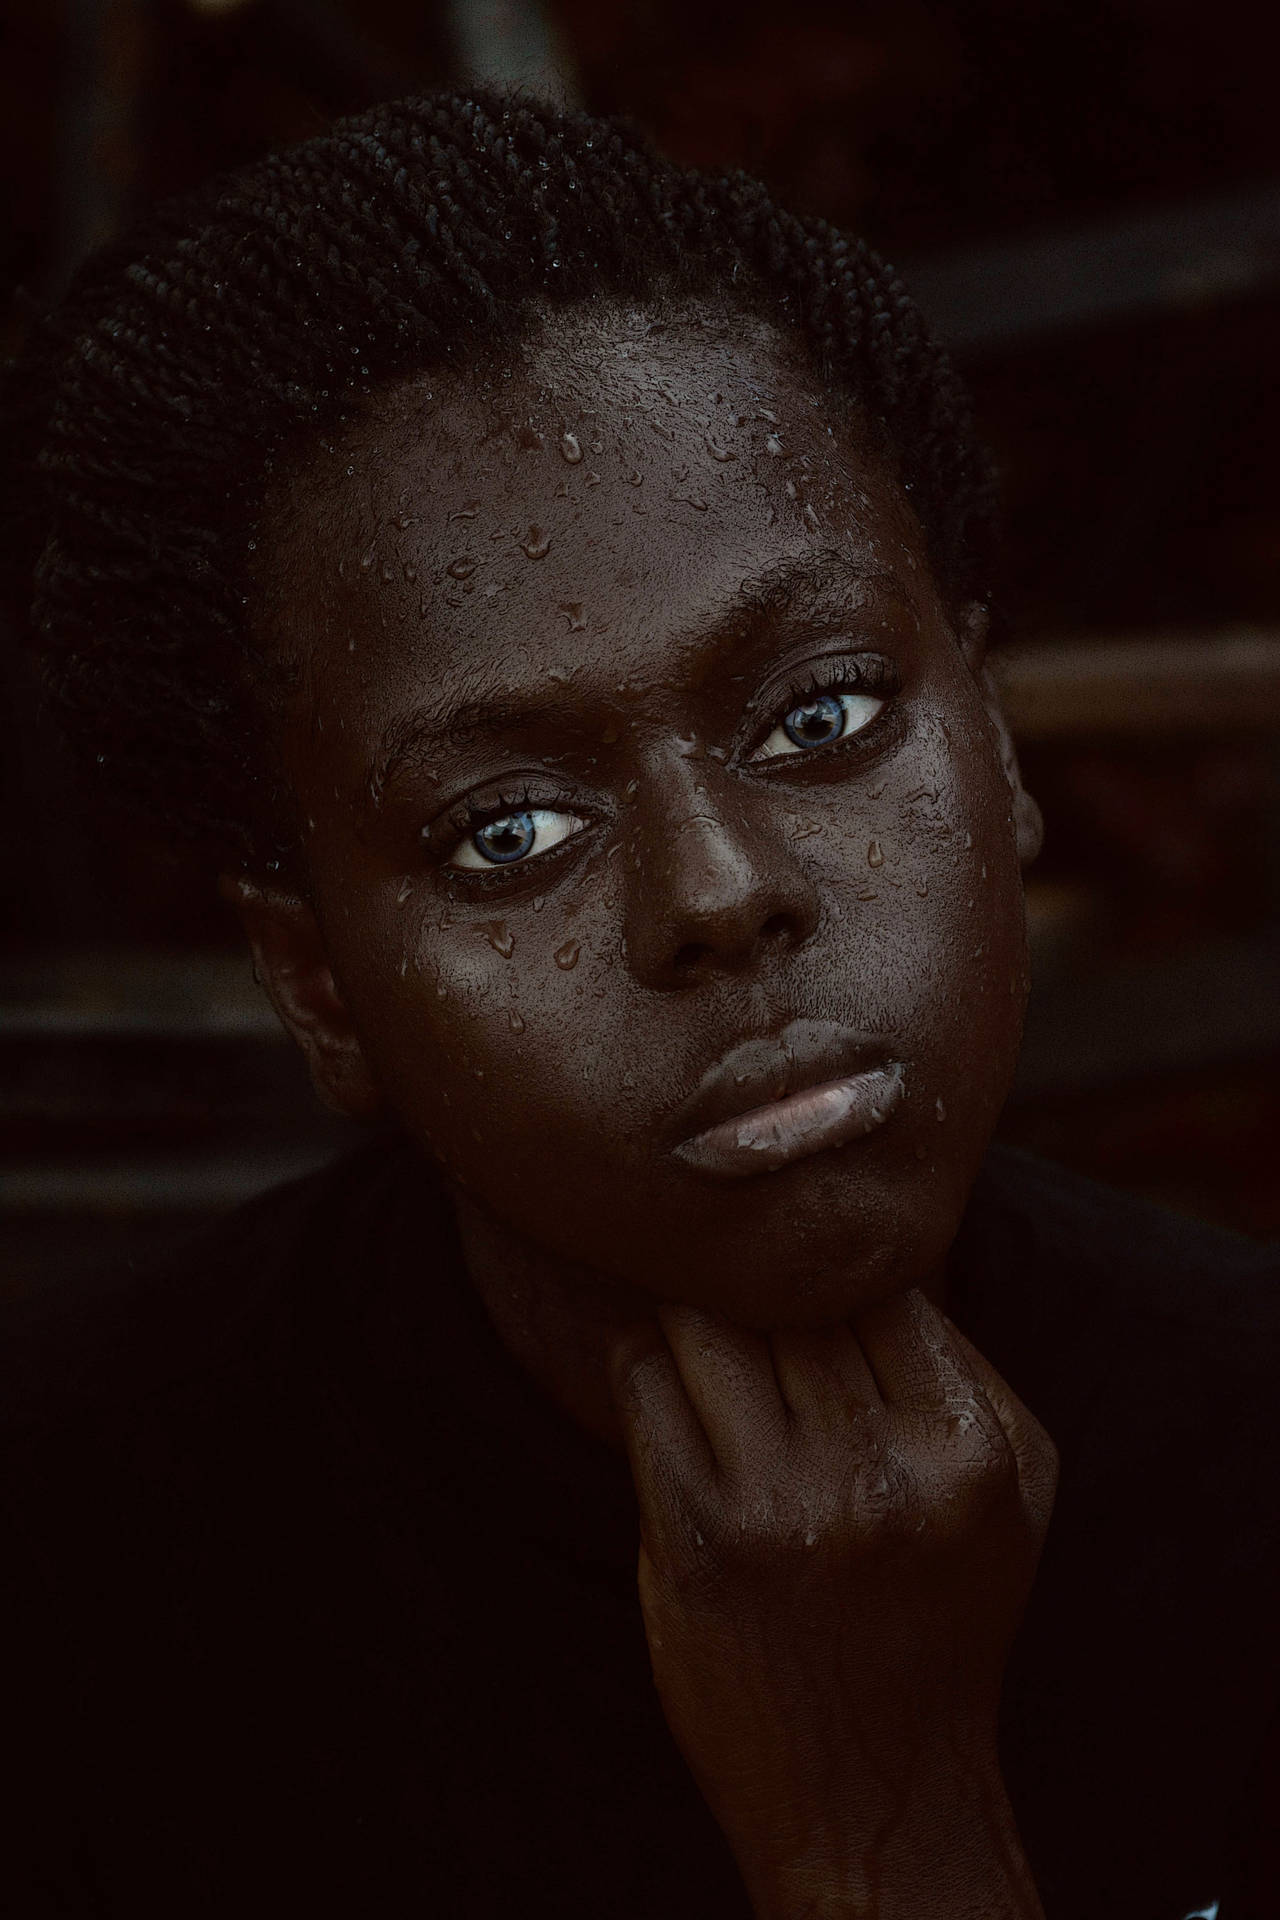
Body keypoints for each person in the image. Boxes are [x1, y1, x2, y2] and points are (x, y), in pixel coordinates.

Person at [1, 88, 1276, 1920]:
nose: (722, 893)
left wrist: (892, 1835)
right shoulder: (70, 1573)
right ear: (318, 983)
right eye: (509, 830)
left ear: (994, 749)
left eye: (822, 717)